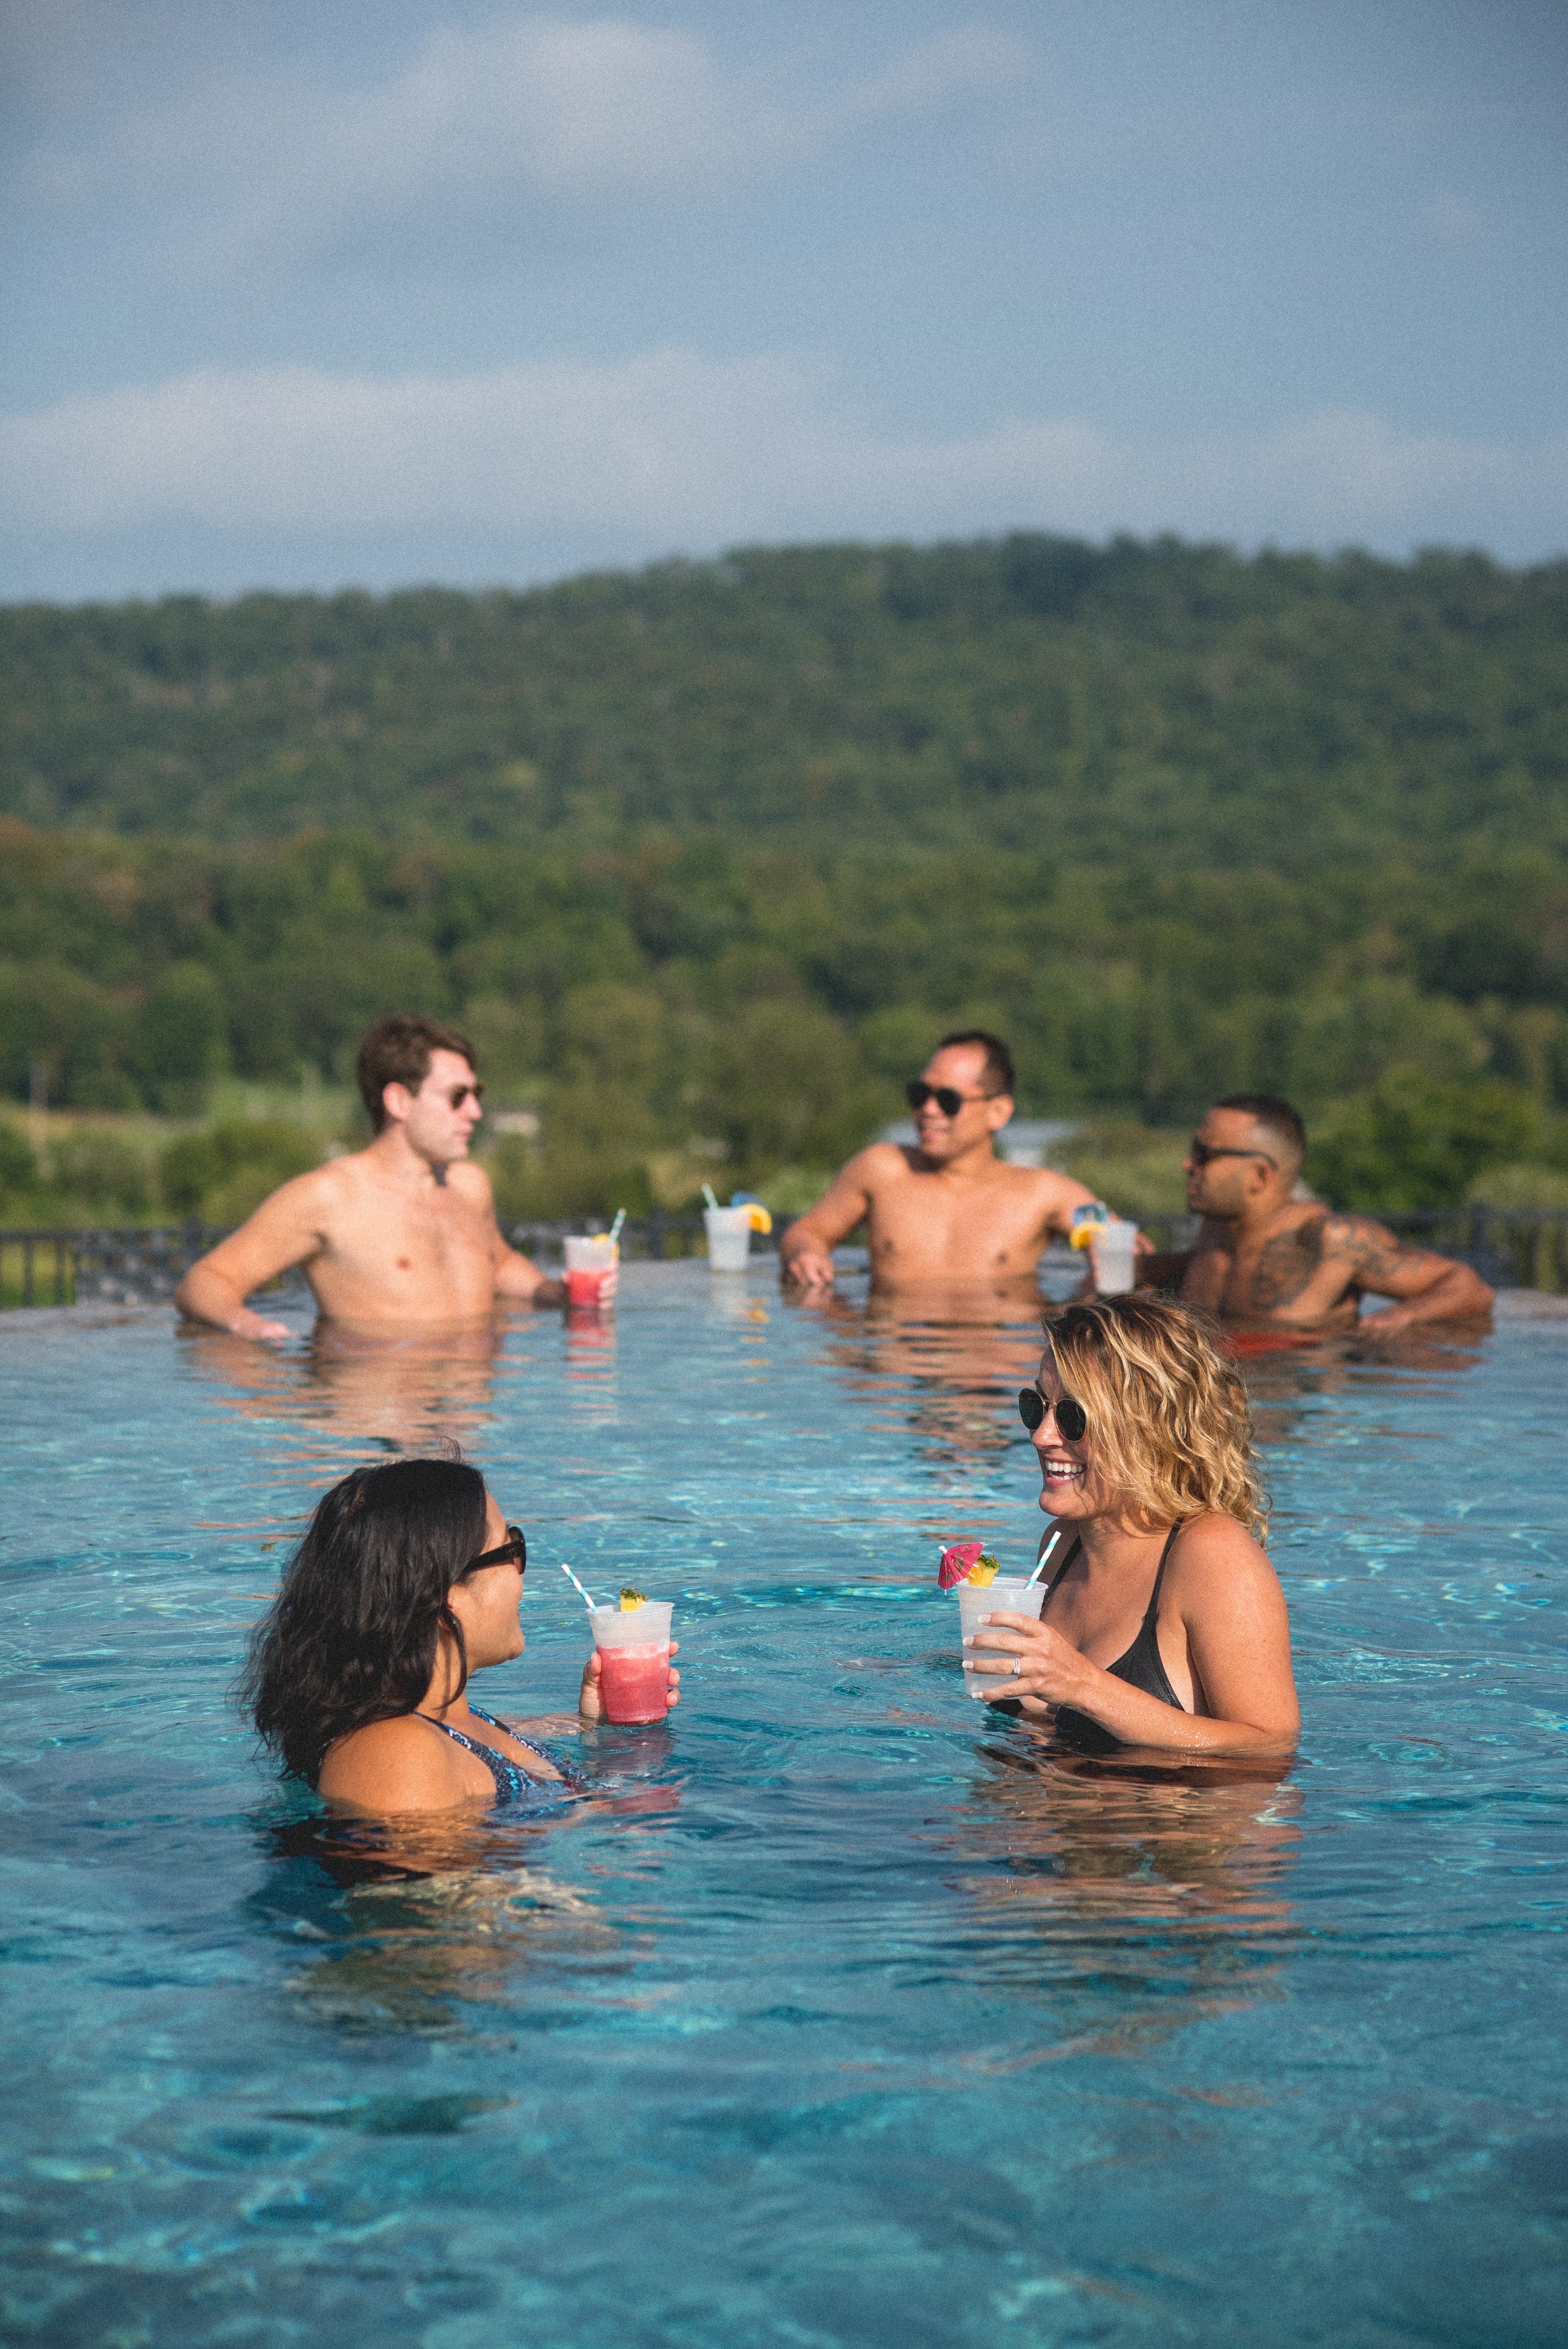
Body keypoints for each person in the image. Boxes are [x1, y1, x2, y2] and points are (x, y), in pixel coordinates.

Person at [240, 1456, 680, 1813]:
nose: (520, 1572)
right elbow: (424, 1896)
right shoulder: (394, 1753)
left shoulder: (454, 1722)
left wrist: (601, 1724)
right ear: (444, 1594)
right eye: (511, 1549)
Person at [966, 1293, 1300, 1756]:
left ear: (1148, 1427)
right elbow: (1044, 1722)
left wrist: (1085, 1687)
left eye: (1072, 1417)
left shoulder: (1211, 1553)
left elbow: (1269, 1745)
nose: (1040, 1435)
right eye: (1035, 1406)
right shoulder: (1063, 1542)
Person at [175, 1014, 588, 1339]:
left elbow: (497, 1264)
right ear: (399, 1102)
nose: (475, 1112)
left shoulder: (469, 1186)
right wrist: (248, 1328)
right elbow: (207, 1281)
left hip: (472, 1414)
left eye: (475, 1095)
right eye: (457, 1097)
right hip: (375, 1408)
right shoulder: (329, 1198)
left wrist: (554, 1293)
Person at [1139, 1094, 1494, 1337]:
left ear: (1260, 1175)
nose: (1188, 1164)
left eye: (1204, 1154)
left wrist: (1401, 1317)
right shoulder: (1216, 1231)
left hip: (1300, 1408)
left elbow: (1469, 1287)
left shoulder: (1331, 1240)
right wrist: (1137, 1266)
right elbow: (1202, 1273)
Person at [780, 1031, 1100, 1299]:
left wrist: (1102, 1263)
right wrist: (805, 1254)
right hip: (893, 1350)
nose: (929, 1110)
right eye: (920, 1094)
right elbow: (808, 1231)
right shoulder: (881, 1170)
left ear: (998, 1112)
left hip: (998, 1352)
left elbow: (1119, 1242)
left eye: (949, 1100)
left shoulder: (1044, 1193)